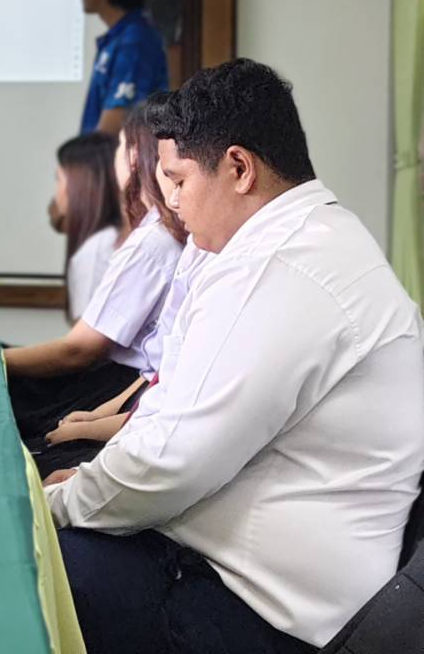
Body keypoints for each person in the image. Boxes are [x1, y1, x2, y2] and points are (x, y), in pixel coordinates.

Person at [47, 59, 424, 653]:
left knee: (26, 565)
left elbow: (171, 464)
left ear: (239, 169)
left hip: (249, 612)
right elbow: (173, 410)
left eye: (180, 180)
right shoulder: (305, 239)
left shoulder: (283, 266)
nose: (172, 202)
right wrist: (92, 481)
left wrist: (54, 506)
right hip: (239, 576)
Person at [9, 96, 191, 472]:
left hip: (116, 385)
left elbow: (79, 350)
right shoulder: (157, 234)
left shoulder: (154, 241)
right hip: (127, 393)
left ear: (135, 156)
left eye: (120, 147)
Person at [77, 0, 170, 136]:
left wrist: (87, 156)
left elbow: (114, 124)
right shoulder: (118, 37)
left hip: (110, 155)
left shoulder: (134, 41)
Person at [54, 132, 123, 321]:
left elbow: (86, 339)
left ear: (79, 185)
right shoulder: (112, 238)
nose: (56, 191)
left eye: (58, 179)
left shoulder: (96, 250)